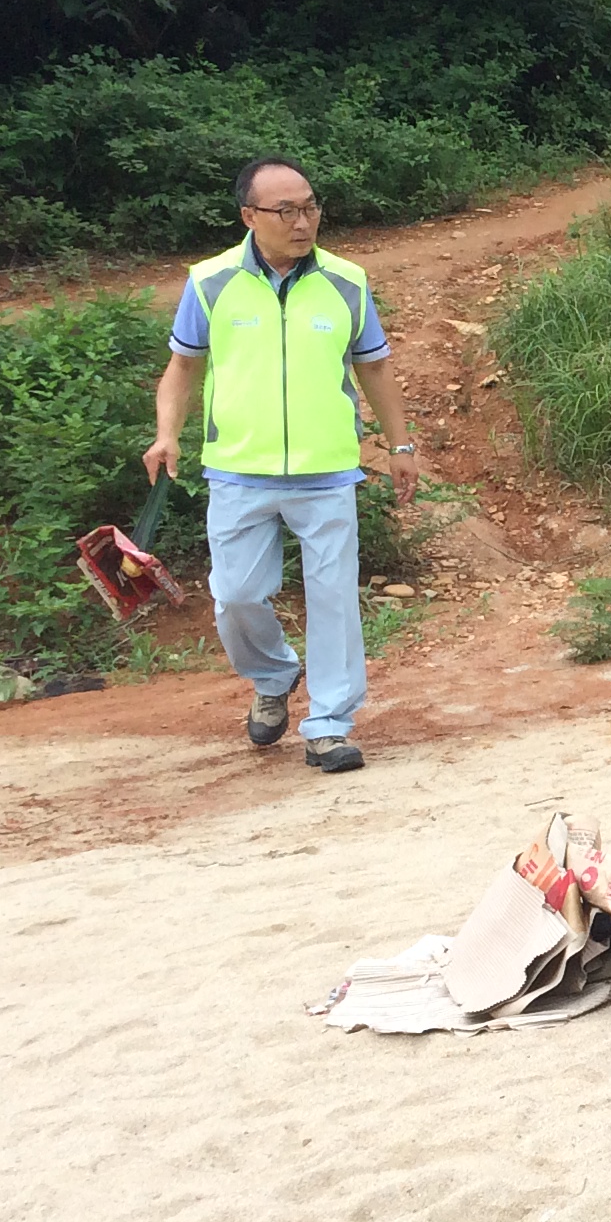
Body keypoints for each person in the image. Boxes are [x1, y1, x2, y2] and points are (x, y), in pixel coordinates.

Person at [143, 158, 418, 774]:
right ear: (250, 216)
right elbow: (183, 367)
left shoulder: (347, 282)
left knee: (333, 599)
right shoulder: (210, 282)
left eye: (311, 207)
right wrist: (167, 435)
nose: (303, 222)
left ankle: (328, 724)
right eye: (286, 211)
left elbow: (373, 367)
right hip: (239, 469)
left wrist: (400, 446)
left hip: (326, 472)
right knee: (236, 595)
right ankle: (272, 675)